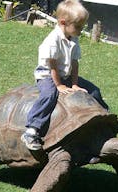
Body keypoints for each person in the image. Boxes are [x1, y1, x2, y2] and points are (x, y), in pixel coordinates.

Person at [21, 0, 109, 150]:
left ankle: (106, 117)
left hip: (66, 75)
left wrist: (74, 84)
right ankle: (32, 130)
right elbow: (52, 66)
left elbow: (74, 63)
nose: (81, 30)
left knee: (93, 90)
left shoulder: (73, 37)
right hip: (47, 75)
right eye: (78, 26)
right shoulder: (53, 40)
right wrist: (59, 85)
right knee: (49, 95)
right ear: (63, 22)